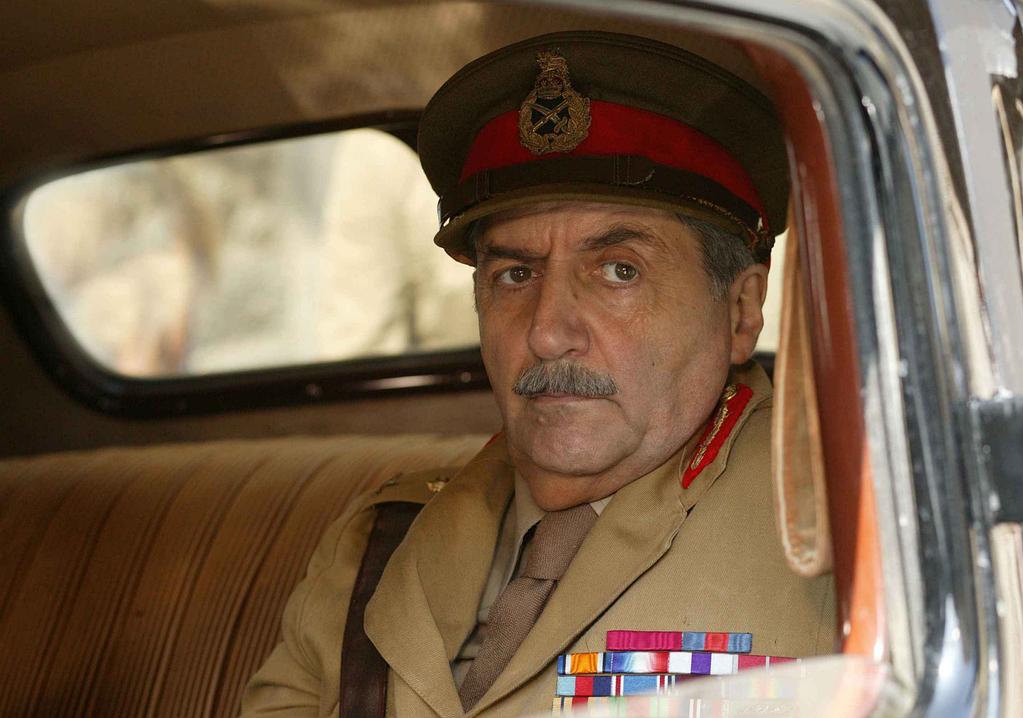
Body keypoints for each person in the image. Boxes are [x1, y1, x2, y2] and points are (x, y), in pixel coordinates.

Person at [240, 30, 835, 718]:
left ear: (740, 309)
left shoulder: (846, 531)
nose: (548, 332)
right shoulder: (380, 541)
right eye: (516, 275)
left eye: (619, 271)